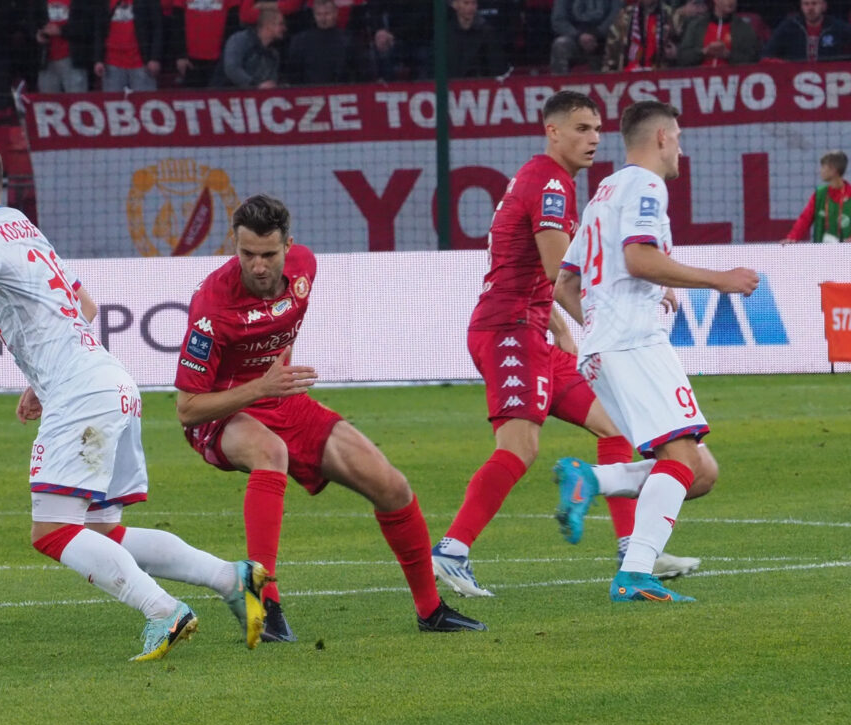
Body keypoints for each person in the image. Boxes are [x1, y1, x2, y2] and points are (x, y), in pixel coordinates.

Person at [0, 138, 271, 661]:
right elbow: (85, 306)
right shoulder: (23, 228)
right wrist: (39, 383)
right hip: (109, 384)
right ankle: (231, 577)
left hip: (84, 397)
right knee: (102, 531)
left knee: (51, 530)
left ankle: (163, 610)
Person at [173, 194, 487, 640]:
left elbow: (283, 328)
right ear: (233, 246)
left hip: (280, 399)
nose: (258, 266)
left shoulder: (305, 268)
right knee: (271, 451)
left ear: (289, 246)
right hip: (222, 410)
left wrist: (276, 379)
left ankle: (431, 610)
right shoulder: (213, 305)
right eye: (247, 255)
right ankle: (264, 602)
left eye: (268, 254)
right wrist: (260, 388)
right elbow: (186, 409)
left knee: (392, 486)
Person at [430, 91, 700, 599]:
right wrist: (603, 324)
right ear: (552, 131)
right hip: (508, 331)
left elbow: (544, 278)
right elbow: (559, 272)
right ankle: (452, 548)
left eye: (597, 128)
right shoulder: (550, 183)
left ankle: (634, 549)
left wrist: (559, 324)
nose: (593, 138)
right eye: (580, 128)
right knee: (520, 446)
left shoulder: (551, 181)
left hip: (529, 327)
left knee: (616, 426)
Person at [554, 101, 759, 603]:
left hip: (605, 350)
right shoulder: (647, 186)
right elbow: (639, 257)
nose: (681, 151)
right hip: (634, 344)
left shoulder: (602, 194)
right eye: (680, 139)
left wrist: (603, 327)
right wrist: (720, 281)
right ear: (663, 137)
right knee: (683, 457)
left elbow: (564, 285)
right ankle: (635, 573)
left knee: (700, 471)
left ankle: (592, 478)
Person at [285, 0, 372, 84]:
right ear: (313, 15)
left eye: (327, 14)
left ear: (335, 13)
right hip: (308, 93)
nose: (323, 19)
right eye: (319, 14)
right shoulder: (300, 41)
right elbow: (293, 73)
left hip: (340, 91)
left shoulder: (349, 40)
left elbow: (362, 72)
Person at [781, 150, 851, 243]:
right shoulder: (820, 194)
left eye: (823, 167)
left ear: (833, 170)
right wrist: (792, 238)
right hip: (820, 253)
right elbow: (805, 219)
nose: (820, 171)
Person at [94, 0, 163, 93]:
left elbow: (158, 26)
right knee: (113, 104)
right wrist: (98, 60)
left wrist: (155, 57)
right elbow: (99, 30)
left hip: (141, 63)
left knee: (144, 103)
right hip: (111, 64)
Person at [212, 7, 286, 88]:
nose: (284, 28)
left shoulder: (273, 54)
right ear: (268, 25)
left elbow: (270, 82)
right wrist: (255, 85)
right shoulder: (240, 40)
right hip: (224, 94)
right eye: (281, 24)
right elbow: (232, 69)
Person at [601, 0, 682, 72]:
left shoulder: (671, 15)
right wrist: (609, 77)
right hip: (628, 75)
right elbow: (611, 51)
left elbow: (685, 49)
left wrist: (676, 52)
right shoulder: (624, 16)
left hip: (661, 75)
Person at [676, 0, 761, 68]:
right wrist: (704, 52)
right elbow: (683, 57)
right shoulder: (696, 26)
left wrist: (728, 55)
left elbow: (753, 60)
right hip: (699, 83)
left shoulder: (744, 28)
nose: (731, 1)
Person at [763, 0, 851, 62]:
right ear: (801, 6)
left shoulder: (836, 26)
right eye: (806, 4)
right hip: (795, 78)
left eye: (814, 3)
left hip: (829, 78)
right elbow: (767, 55)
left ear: (824, 6)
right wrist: (785, 64)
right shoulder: (789, 27)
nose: (810, 8)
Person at [550, 0, 623, 74]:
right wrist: (578, 36)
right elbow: (558, 20)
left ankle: (616, 81)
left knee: (618, 42)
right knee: (560, 45)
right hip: (574, 38)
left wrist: (597, 33)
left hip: (605, 37)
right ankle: (559, 82)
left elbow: (618, 14)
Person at [38, 0, 94, 93]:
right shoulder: (40, 2)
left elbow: (88, 26)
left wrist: (61, 31)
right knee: (48, 103)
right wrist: (37, 34)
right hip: (46, 60)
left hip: (73, 60)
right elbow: (30, 19)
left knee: (77, 102)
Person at [446, 0, 508, 79]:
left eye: (474, 3)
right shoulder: (445, 32)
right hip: (450, 85)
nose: (471, 8)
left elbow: (496, 67)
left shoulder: (487, 33)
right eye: (466, 3)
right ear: (455, 5)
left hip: (479, 85)